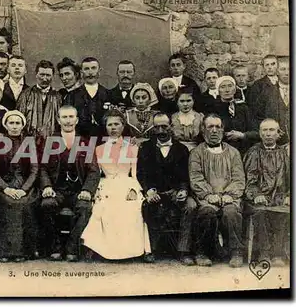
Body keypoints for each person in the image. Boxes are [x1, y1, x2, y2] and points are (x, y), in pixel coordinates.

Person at [81, 109, 151, 260]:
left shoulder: (132, 148)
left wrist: (134, 189)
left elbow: (135, 173)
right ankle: (103, 250)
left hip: (127, 184)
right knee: (104, 206)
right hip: (106, 184)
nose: (113, 128)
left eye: (116, 124)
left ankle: (135, 250)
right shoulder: (99, 149)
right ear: (105, 127)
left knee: (132, 206)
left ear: (122, 126)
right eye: (110, 125)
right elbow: (97, 173)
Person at [39, 105, 100, 261]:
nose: (68, 121)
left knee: (84, 208)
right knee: (47, 205)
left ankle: (72, 247)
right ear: (59, 120)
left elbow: (93, 170)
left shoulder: (85, 143)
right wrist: (47, 186)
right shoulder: (50, 142)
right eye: (64, 117)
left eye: (71, 117)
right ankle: (55, 247)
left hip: (78, 190)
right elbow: (43, 169)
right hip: (57, 190)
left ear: (77, 120)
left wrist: (87, 190)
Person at [137, 112, 197, 265]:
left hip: (175, 192)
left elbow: (185, 175)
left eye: (164, 126)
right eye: (157, 127)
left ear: (171, 126)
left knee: (190, 206)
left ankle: (184, 251)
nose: (161, 131)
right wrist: (148, 190)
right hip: (154, 192)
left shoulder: (182, 149)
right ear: (153, 128)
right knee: (144, 206)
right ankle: (150, 249)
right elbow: (141, 173)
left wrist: (183, 190)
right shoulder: (145, 147)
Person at [189, 114, 245, 268]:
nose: (214, 130)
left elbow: (238, 178)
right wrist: (208, 194)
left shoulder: (233, 152)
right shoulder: (196, 153)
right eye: (210, 127)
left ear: (223, 129)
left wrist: (229, 194)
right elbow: (196, 177)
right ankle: (203, 252)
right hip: (207, 197)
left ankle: (236, 252)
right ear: (203, 130)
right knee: (207, 213)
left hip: (229, 197)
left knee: (231, 213)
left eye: (217, 127)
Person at [0, 111, 39, 262]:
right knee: (7, 202)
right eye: (11, 123)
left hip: (25, 184)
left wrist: (24, 190)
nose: (15, 126)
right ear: (6, 125)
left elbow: (34, 169)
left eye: (18, 123)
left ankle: (21, 251)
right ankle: (4, 251)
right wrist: (6, 188)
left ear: (22, 125)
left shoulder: (29, 143)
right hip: (4, 184)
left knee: (24, 203)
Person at [243, 119, 290, 267]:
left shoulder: (285, 154)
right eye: (264, 130)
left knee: (285, 212)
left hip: (279, 197)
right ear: (260, 133)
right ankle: (263, 253)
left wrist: (289, 195)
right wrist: (256, 194)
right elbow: (249, 180)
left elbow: (291, 178)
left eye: (271, 130)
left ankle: (277, 253)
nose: (268, 134)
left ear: (278, 133)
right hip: (256, 198)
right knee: (260, 213)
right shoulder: (253, 152)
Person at [211, 76, 258, 154]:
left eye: (230, 86)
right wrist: (224, 134)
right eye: (223, 87)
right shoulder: (213, 109)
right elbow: (208, 131)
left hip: (244, 150)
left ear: (235, 89)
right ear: (218, 90)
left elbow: (256, 132)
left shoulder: (244, 108)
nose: (227, 90)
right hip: (221, 150)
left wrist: (242, 135)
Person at [66, 57, 111, 138]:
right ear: (81, 72)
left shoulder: (109, 94)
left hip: (104, 141)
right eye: (86, 69)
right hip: (79, 142)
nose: (90, 72)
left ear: (99, 71)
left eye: (93, 68)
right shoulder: (71, 96)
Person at [16, 60, 62, 139]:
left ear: (52, 76)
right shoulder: (26, 94)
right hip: (29, 140)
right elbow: (19, 118)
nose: (44, 79)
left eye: (48, 75)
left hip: (51, 141)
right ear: (36, 75)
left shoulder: (57, 96)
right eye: (42, 75)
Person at [252, 56, 290, 145]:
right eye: (283, 69)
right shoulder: (266, 91)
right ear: (277, 71)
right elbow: (257, 114)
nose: (287, 73)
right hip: (275, 142)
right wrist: (271, 128)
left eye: (289, 69)